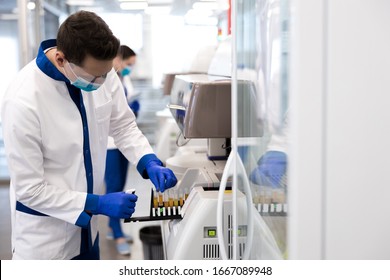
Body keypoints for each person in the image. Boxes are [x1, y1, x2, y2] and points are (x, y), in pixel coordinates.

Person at [1, 10, 177, 260]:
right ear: (61, 60)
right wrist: (98, 203)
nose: (102, 82)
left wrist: (147, 160)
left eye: (106, 74)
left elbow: (123, 126)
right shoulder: (23, 100)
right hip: (46, 244)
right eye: (94, 77)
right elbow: (30, 189)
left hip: (88, 233)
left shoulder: (101, 71)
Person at [104, 46, 138, 255]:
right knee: (114, 188)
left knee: (121, 184)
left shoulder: (123, 80)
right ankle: (117, 234)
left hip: (122, 142)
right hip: (109, 145)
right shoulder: (103, 81)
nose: (129, 69)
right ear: (117, 58)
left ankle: (111, 227)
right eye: (128, 64)